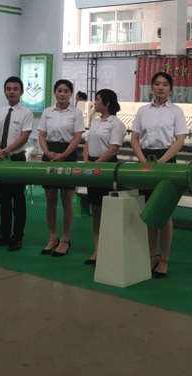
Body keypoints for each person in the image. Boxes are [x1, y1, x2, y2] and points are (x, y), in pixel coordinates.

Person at [130, 71, 188, 278]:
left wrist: (162, 162)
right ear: (152, 87)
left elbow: (180, 140)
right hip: (146, 161)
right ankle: (152, 254)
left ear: (170, 89)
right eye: (157, 84)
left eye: (164, 84)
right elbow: (135, 138)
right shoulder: (143, 110)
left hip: (166, 161)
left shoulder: (176, 111)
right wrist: (143, 160)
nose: (160, 87)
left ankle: (164, 258)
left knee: (164, 212)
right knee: (149, 209)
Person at [37, 79, 85, 257]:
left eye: (66, 91)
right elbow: (42, 135)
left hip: (68, 155)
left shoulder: (76, 113)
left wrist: (64, 155)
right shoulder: (47, 112)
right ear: (54, 92)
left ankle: (65, 239)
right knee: (50, 198)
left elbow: (77, 137)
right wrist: (47, 152)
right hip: (49, 154)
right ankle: (52, 238)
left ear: (71, 94)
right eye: (59, 90)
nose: (62, 94)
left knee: (66, 199)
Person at [0, 76, 33, 252]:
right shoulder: (0, 111)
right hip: (0, 160)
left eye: (15, 89)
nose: (11, 92)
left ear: (21, 92)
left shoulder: (26, 112)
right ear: (5, 91)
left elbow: (24, 137)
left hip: (16, 160)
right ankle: (3, 235)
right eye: (8, 89)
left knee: (18, 200)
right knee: (3, 200)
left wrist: (5, 151)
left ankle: (17, 237)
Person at [82, 88, 126, 266]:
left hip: (106, 168)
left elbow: (113, 149)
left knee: (108, 210)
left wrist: (96, 164)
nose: (95, 102)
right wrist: (87, 161)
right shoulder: (94, 122)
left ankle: (110, 249)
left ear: (107, 103)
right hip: (93, 166)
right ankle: (97, 249)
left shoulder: (116, 124)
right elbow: (86, 143)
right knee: (96, 210)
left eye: (98, 99)